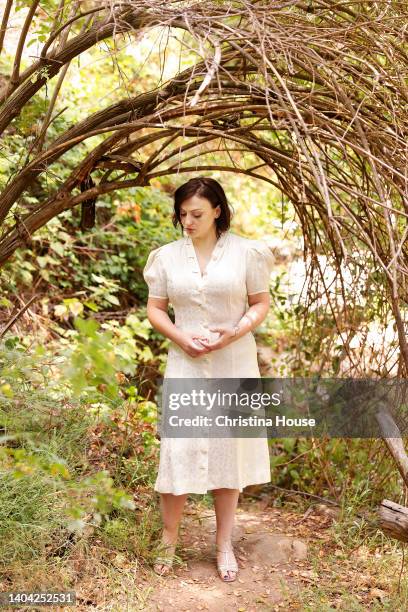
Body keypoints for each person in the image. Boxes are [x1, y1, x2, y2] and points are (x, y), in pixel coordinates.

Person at [143, 177, 274, 582]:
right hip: (185, 362)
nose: (187, 221)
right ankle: (169, 539)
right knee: (178, 448)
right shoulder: (165, 257)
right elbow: (156, 310)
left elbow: (260, 304)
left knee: (227, 450)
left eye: (196, 213)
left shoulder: (246, 253)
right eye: (182, 214)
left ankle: (223, 544)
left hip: (233, 361)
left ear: (217, 210)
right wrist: (182, 337)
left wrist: (233, 332)